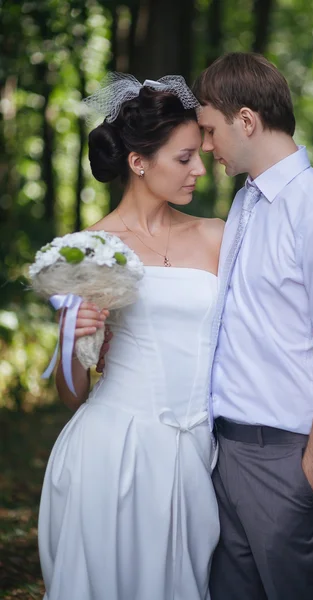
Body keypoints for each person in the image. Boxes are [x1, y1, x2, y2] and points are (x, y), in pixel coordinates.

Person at [192, 52, 313, 600]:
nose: (205, 146)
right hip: (226, 459)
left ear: (245, 120)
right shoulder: (248, 202)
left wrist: (307, 479)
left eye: (209, 130)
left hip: (287, 465)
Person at [38, 76, 225, 600]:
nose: (200, 168)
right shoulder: (89, 249)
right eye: (185, 158)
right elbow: (73, 392)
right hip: (113, 454)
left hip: (198, 458)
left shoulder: (216, 235)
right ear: (139, 161)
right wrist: (71, 338)